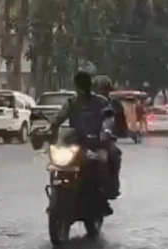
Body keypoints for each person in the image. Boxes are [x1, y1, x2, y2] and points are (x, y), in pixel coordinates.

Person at [50, 71, 121, 210]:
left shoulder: (101, 101)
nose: (82, 89)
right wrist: (50, 128)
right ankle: (57, 194)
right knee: (56, 165)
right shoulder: (71, 103)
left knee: (114, 155)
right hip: (75, 143)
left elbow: (108, 118)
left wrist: (105, 131)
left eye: (84, 85)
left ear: (90, 85)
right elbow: (58, 118)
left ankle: (108, 190)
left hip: (98, 142)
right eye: (79, 85)